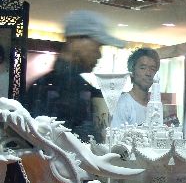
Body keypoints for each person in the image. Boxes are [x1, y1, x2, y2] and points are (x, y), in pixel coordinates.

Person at [25, 10, 124, 142]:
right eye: (97, 46)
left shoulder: (80, 87)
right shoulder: (51, 89)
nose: (99, 55)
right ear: (76, 41)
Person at [111, 48, 160, 128]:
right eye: (143, 68)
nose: (148, 73)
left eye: (153, 69)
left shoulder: (156, 106)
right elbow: (116, 135)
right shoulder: (123, 104)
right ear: (132, 72)